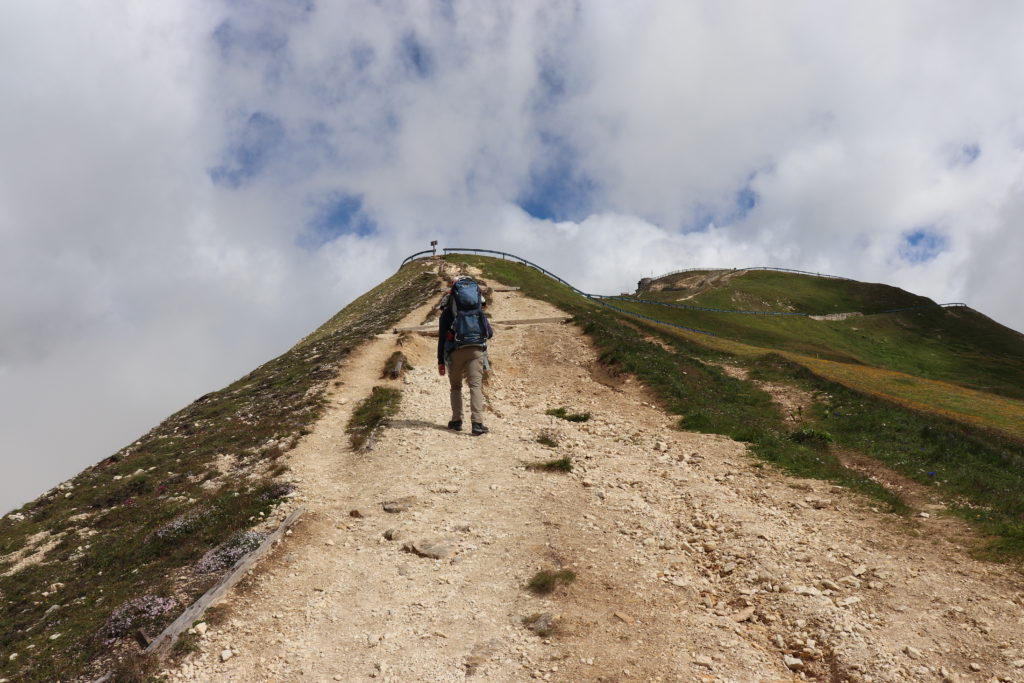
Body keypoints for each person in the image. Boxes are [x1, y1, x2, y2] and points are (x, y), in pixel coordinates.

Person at [437, 276, 493, 435]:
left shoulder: (447, 310)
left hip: (454, 352)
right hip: (475, 350)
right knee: (475, 386)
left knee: (456, 387)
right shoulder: (477, 308)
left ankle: (456, 421)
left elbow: (442, 338)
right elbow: (489, 333)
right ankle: (477, 424)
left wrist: (441, 361)